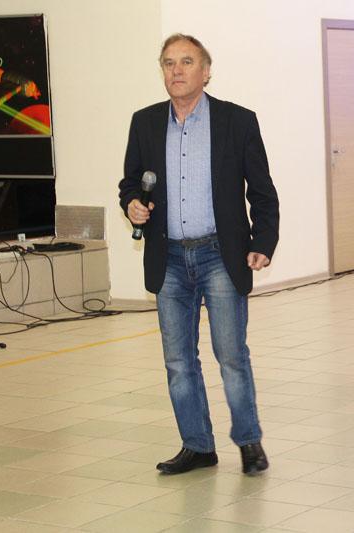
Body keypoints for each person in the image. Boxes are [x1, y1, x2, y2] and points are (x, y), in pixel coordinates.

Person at [119, 34, 279, 476]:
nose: (177, 70)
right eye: (169, 62)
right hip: (168, 256)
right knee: (178, 361)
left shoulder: (237, 121)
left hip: (220, 255)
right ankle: (197, 445)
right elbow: (130, 182)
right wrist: (131, 203)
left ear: (206, 72)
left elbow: (262, 191)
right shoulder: (145, 122)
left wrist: (262, 242)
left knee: (231, 355)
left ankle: (248, 442)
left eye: (187, 62)